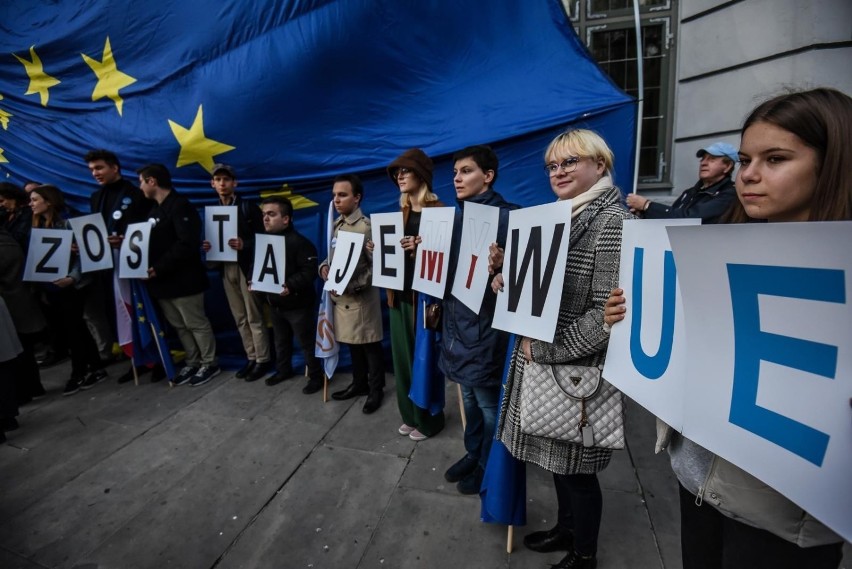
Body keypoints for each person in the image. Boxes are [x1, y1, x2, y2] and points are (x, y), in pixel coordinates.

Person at [604, 88, 851, 569]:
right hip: (695, 478)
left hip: (780, 523)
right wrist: (633, 314)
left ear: (833, 163)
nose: (750, 175)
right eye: (744, 160)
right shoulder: (715, 250)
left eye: (775, 158)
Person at [493, 130, 631, 569]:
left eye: (570, 162)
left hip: (576, 371)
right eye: (553, 165)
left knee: (579, 473)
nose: (559, 172)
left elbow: (607, 316)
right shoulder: (557, 215)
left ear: (600, 166)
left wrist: (547, 352)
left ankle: (584, 554)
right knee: (557, 459)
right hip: (544, 361)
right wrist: (506, 280)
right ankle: (566, 529)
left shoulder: (613, 221)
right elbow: (539, 288)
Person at [438, 145, 518, 494]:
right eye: (455, 172)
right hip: (457, 328)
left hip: (487, 331)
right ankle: (474, 454)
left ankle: (488, 466)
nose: (457, 178)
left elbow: (525, 281)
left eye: (466, 171)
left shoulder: (510, 217)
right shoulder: (455, 218)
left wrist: (505, 265)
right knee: (468, 400)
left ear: (488, 176)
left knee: (487, 405)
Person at [136, 164, 219, 387]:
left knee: (195, 322)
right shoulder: (154, 210)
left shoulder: (180, 206)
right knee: (179, 325)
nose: (140, 187)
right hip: (162, 282)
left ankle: (209, 362)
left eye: (142, 181)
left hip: (184, 279)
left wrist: (159, 267)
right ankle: (193, 361)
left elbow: (187, 243)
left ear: (152, 181)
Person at [385, 148, 446, 441]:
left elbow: (446, 260)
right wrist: (379, 249)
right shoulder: (400, 213)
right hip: (398, 296)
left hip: (424, 299)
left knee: (424, 360)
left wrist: (421, 250)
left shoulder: (440, 213)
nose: (399, 176)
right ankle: (410, 415)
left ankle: (430, 420)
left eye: (405, 171)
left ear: (420, 174)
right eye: (397, 172)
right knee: (402, 360)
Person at [29, 185, 107, 395]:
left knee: (74, 329)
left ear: (49, 201)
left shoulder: (68, 223)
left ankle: (79, 372)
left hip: (73, 285)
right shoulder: (39, 225)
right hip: (53, 287)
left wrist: (72, 277)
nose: (31, 204)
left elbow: (85, 255)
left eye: (35, 199)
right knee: (76, 328)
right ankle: (96, 367)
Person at [320, 174, 385, 414]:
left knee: (370, 346)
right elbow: (332, 256)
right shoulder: (336, 224)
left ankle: (375, 390)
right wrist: (324, 268)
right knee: (353, 345)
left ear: (357, 198)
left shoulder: (366, 227)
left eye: (343, 195)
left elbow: (377, 266)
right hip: (341, 299)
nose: (336, 200)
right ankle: (359, 384)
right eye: (334, 195)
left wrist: (353, 284)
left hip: (360, 299)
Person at [202, 164, 271, 382]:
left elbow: (264, 238)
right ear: (212, 184)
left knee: (254, 316)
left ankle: (263, 359)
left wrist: (245, 244)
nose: (222, 184)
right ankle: (251, 357)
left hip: (246, 268)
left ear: (235, 183)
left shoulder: (247, 207)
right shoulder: (213, 210)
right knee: (240, 317)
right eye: (218, 180)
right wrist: (209, 246)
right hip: (225, 267)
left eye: (226, 179)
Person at [85, 149, 151, 377]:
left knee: (140, 309)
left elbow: (147, 228)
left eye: (99, 168)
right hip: (107, 265)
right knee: (119, 312)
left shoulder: (136, 193)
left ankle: (153, 357)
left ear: (114, 167)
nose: (95, 173)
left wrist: (125, 239)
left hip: (134, 262)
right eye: (92, 169)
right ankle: (135, 358)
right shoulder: (96, 197)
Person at [255, 196, 324, 394]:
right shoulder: (264, 242)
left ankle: (315, 376)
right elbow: (258, 266)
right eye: (263, 215)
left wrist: (290, 286)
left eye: (271, 214)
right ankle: (283, 370)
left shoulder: (301, 243)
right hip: (275, 304)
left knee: (306, 343)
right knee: (280, 341)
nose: (265, 218)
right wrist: (254, 280)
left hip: (297, 305)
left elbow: (309, 271)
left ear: (286, 219)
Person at [626, 142, 738, 223]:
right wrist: (644, 213)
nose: (703, 163)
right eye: (702, 159)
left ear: (727, 166)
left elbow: (692, 219)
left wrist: (647, 206)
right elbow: (673, 216)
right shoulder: (690, 192)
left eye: (712, 159)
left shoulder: (729, 194)